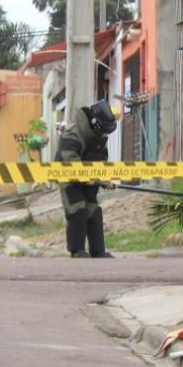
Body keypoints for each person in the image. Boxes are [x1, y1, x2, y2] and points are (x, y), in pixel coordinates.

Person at [57, 99, 119, 258]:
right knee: (77, 208)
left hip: (89, 179)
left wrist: (107, 180)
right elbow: (69, 158)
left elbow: (102, 161)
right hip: (69, 178)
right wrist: (84, 176)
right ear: (95, 124)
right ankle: (77, 250)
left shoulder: (98, 137)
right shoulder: (73, 133)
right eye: (104, 131)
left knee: (94, 210)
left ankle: (98, 251)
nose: (105, 135)